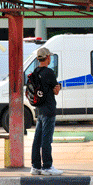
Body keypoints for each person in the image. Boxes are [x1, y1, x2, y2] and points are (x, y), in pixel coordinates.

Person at [30, 47, 63, 176]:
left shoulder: (35, 71)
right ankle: (47, 166)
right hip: (49, 109)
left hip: (40, 110)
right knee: (46, 139)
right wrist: (58, 88)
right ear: (48, 57)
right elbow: (55, 91)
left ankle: (35, 166)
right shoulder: (49, 72)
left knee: (37, 139)